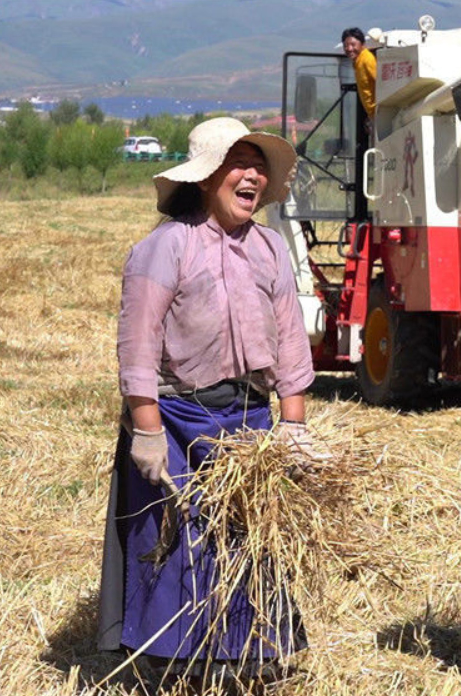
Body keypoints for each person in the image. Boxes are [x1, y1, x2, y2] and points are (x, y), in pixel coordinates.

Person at [96, 116, 327, 685]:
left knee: (248, 538)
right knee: (175, 541)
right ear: (205, 178)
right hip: (175, 417)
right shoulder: (166, 247)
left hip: (247, 417)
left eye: (258, 166)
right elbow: (138, 345)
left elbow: (291, 342)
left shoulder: (270, 247)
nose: (251, 175)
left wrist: (292, 424)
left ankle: (247, 655)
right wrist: (147, 430)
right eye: (237, 163)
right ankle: (169, 664)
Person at [342, 27, 377, 119]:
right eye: (346, 45)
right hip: (372, 114)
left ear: (363, 44)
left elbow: (382, 84)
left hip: (378, 112)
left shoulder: (367, 60)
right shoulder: (357, 62)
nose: (349, 49)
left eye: (353, 45)